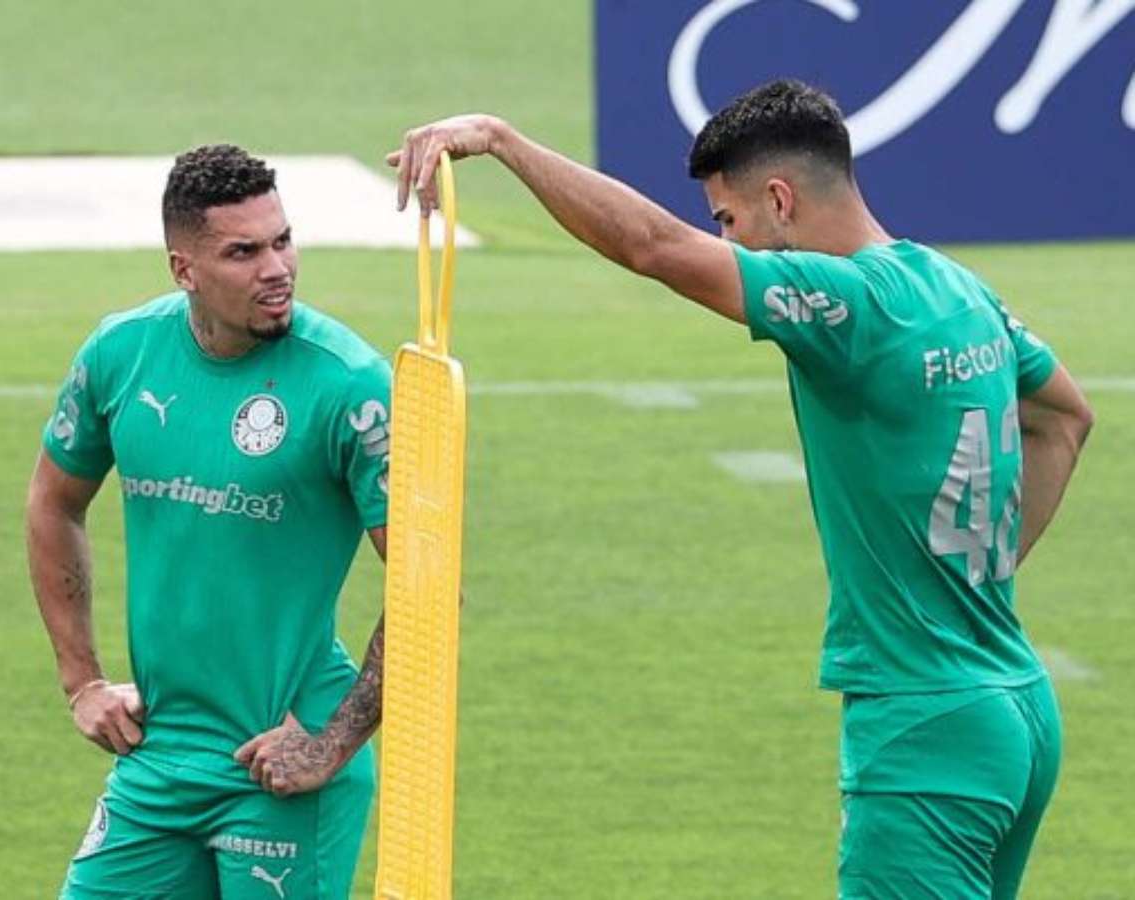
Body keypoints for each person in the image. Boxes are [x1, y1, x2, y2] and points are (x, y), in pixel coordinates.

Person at [385, 81, 1093, 897]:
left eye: (728, 220)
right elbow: (1065, 419)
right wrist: (975, 574)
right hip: (1016, 706)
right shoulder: (956, 288)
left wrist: (502, 139)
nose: (729, 243)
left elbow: (654, 248)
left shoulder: (854, 305)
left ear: (780, 200)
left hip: (924, 729)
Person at [27, 144, 391, 899]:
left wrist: (333, 740)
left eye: (283, 241)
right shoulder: (121, 354)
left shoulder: (351, 385)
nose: (277, 268)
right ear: (184, 269)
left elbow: (432, 584)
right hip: (158, 757)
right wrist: (81, 680)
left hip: (278, 759)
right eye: (243, 252)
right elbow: (53, 503)